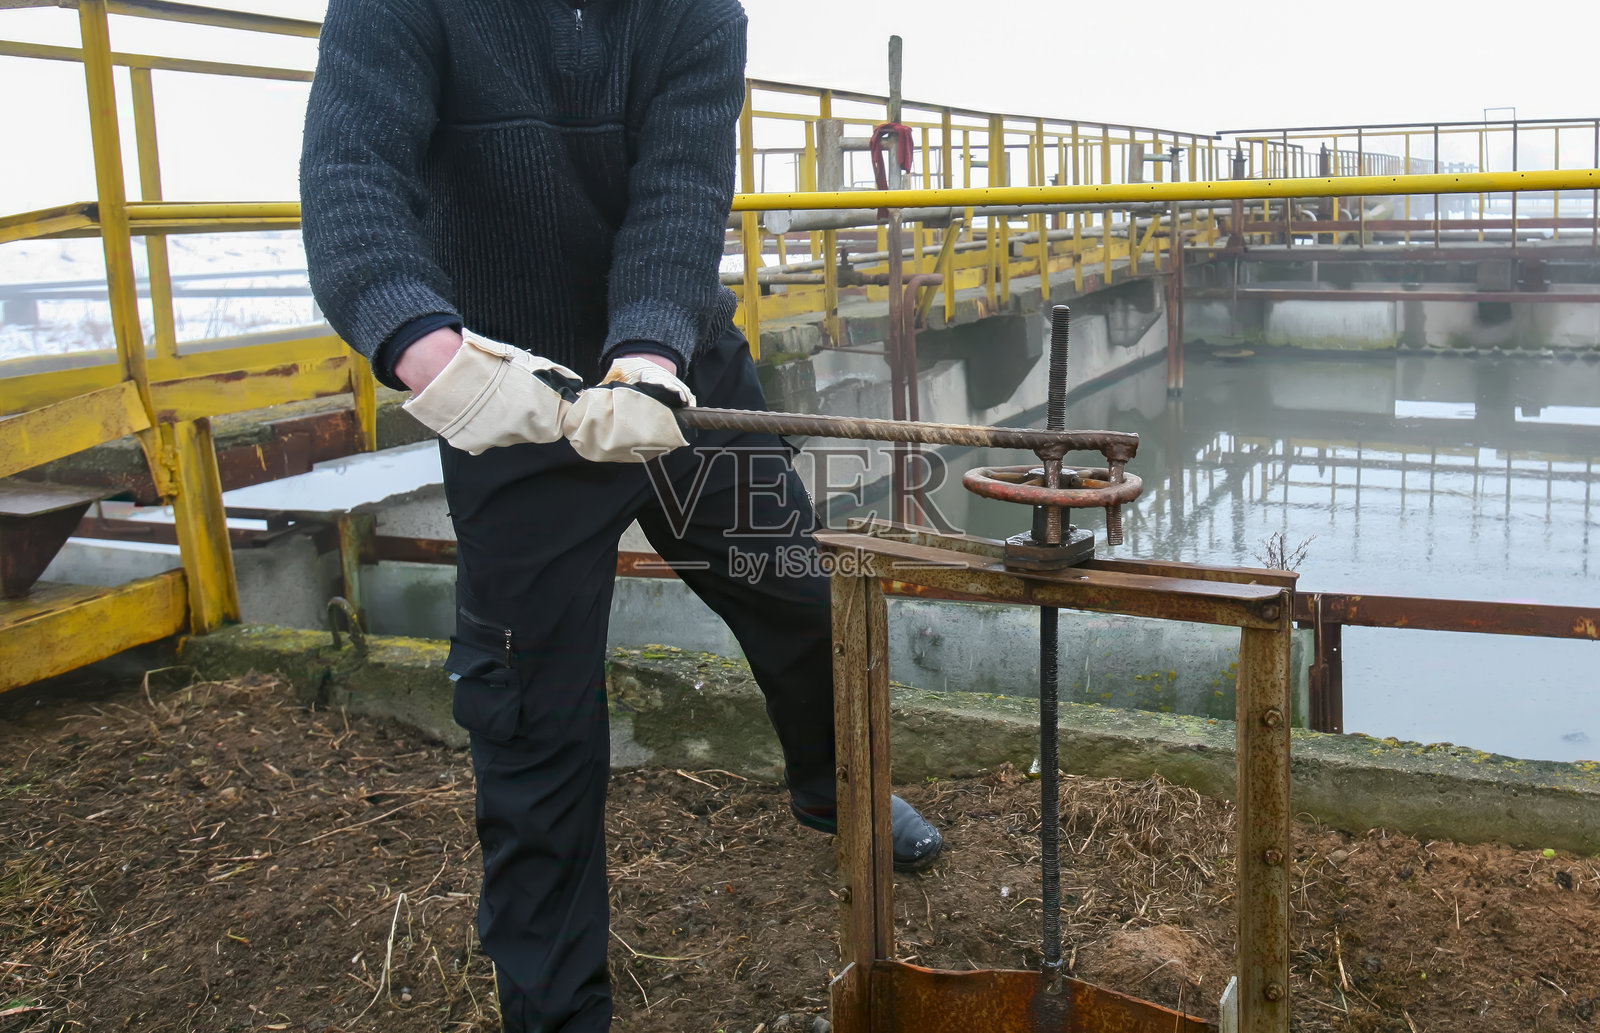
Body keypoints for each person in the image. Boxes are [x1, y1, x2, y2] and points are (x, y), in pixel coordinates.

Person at [299, 1, 942, 1029]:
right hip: (509, 390)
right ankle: (556, 1009)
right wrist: (432, 354)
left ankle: (836, 791)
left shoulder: (693, 13)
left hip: (671, 371)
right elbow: (351, 177)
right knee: (529, 706)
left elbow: (680, 191)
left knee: (800, 599)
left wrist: (647, 354)